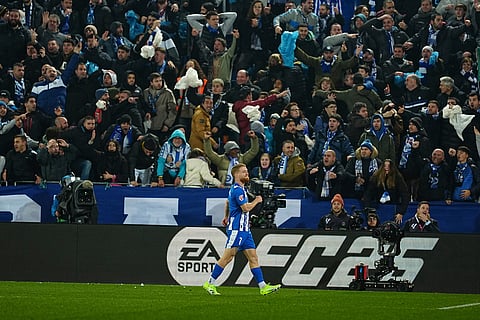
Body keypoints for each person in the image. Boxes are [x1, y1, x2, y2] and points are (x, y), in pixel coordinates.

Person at [202, 163, 281, 296]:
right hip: (237, 230)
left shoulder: (239, 189)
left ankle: (262, 286)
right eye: (244, 172)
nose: (247, 174)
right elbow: (245, 208)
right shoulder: (238, 189)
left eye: (247, 172)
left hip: (245, 230)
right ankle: (209, 283)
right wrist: (257, 201)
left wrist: (226, 216)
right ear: (236, 174)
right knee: (228, 257)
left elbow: (228, 202)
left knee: (253, 257)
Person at [362, 159, 410, 224]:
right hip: (378, 207)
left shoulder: (398, 178)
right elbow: (368, 194)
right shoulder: (376, 177)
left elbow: (405, 195)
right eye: (385, 166)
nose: (386, 168)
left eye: (389, 166)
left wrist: (401, 212)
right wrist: (368, 211)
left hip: (393, 207)